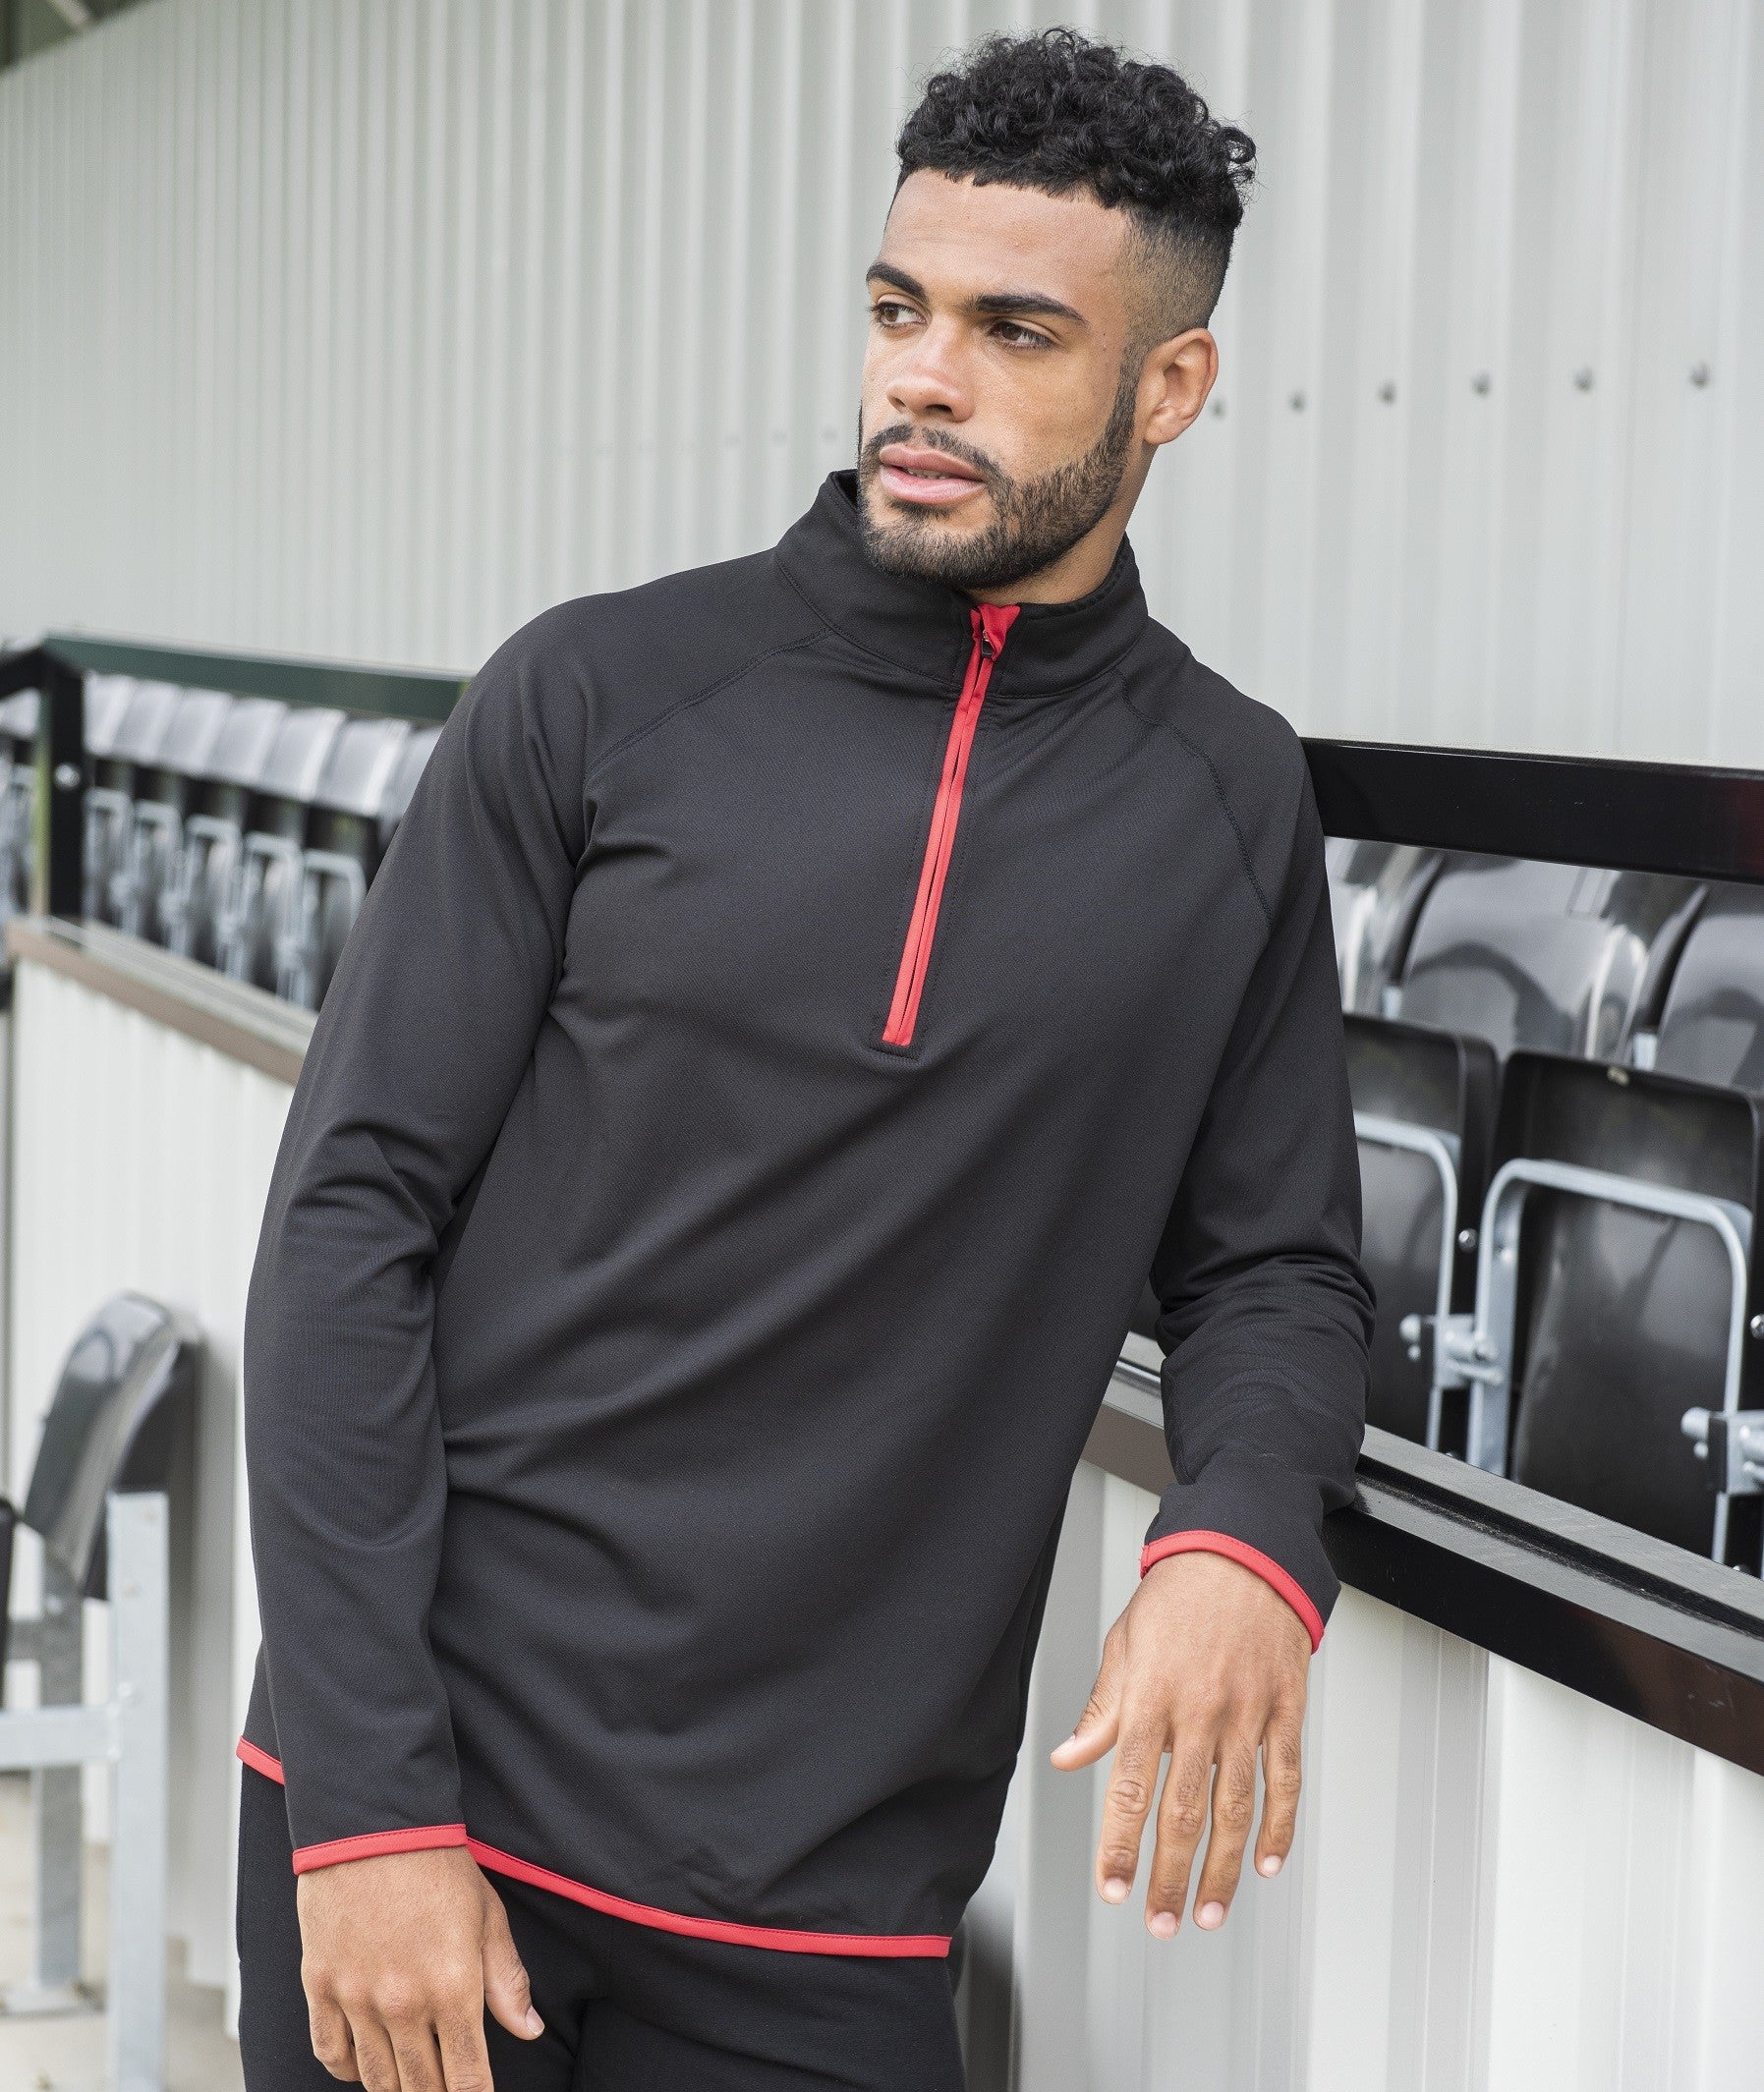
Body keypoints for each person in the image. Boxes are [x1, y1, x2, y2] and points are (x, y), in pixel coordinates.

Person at [235, 27, 1372, 2092]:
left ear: (1172, 386)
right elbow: (345, 1231)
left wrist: (1245, 1540)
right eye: (897, 308)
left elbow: (1274, 1266)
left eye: (1016, 331)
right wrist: (367, 1807)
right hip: (432, 1808)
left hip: (830, 1905)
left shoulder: (1227, 801)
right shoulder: (596, 693)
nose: (923, 378)